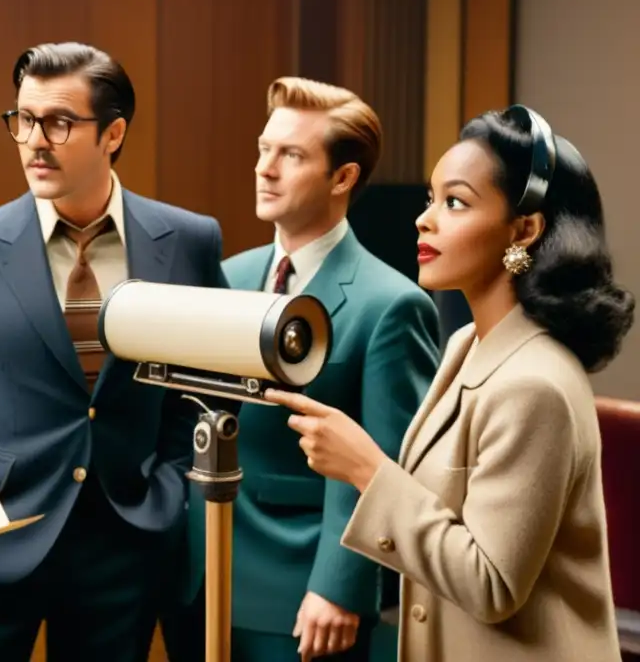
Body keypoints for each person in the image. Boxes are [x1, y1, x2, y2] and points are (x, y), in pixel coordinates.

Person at [270, 105, 634, 661]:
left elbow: (491, 584)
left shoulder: (535, 385)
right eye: (430, 199)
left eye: (456, 202)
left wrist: (367, 470)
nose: (425, 220)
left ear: (524, 230)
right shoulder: (467, 345)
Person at [0, 41, 229, 662]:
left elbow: (205, 386)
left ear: (113, 135)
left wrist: (167, 485)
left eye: (58, 122)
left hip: (126, 538)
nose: (34, 140)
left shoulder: (187, 241)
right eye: (23, 120)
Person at [162, 76, 441, 662]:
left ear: (343, 177)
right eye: (264, 150)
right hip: (197, 578)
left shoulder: (391, 303)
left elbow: (386, 466)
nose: (265, 168)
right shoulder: (228, 278)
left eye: (291, 155)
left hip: (304, 594)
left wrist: (342, 586)